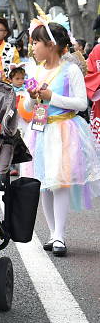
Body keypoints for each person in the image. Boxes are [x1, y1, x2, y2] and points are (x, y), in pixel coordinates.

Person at [20, 17, 100, 256]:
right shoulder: (34, 69)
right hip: (40, 129)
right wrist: (32, 96)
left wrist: (51, 96)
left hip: (64, 130)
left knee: (60, 181)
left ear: (51, 45)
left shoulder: (71, 69)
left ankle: (60, 236)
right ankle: (53, 233)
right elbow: (27, 103)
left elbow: (80, 102)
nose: (32, 47)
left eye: (36, 42)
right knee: (43, 183)